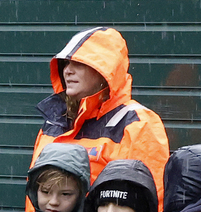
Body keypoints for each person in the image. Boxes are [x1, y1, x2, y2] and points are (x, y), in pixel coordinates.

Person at [31, 27, 170, 198]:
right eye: (66, 63)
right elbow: (34, 194)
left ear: (105, 71)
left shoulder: (138, 123)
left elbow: (152, 199)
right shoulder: (54, 120)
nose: (68, 70)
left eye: (79, 63)